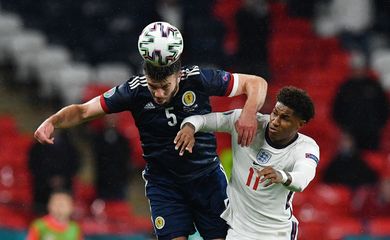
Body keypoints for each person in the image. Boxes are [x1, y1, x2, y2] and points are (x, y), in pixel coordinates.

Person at [34, 22, 268, 240]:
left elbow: (256, 83)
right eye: (153, 87)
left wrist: (248, 112)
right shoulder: (133, 91)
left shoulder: (198, 78)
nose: (158, 93)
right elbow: (84, 111)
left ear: (178, 75)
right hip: (165, 184)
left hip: (206, 178)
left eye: (164, 86)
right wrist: (53, 121)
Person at [175, 86, 318, 240]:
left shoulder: (306, 147)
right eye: (275, 113)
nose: (275, 121)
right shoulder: (246, 123)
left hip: (276, 232)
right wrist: (189, 128)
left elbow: (302, 179)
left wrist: (282, 176)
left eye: (285, 118)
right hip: (238, 230)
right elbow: (201, 120)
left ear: (300, 124)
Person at [28, 130, 80, 215]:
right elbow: (34, 165)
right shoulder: (38, 146)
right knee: (41, 213)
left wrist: (62, 178)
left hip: (64, 186)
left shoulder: (70, 146)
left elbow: (74, 164)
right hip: (42, 188)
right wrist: (48, 178)